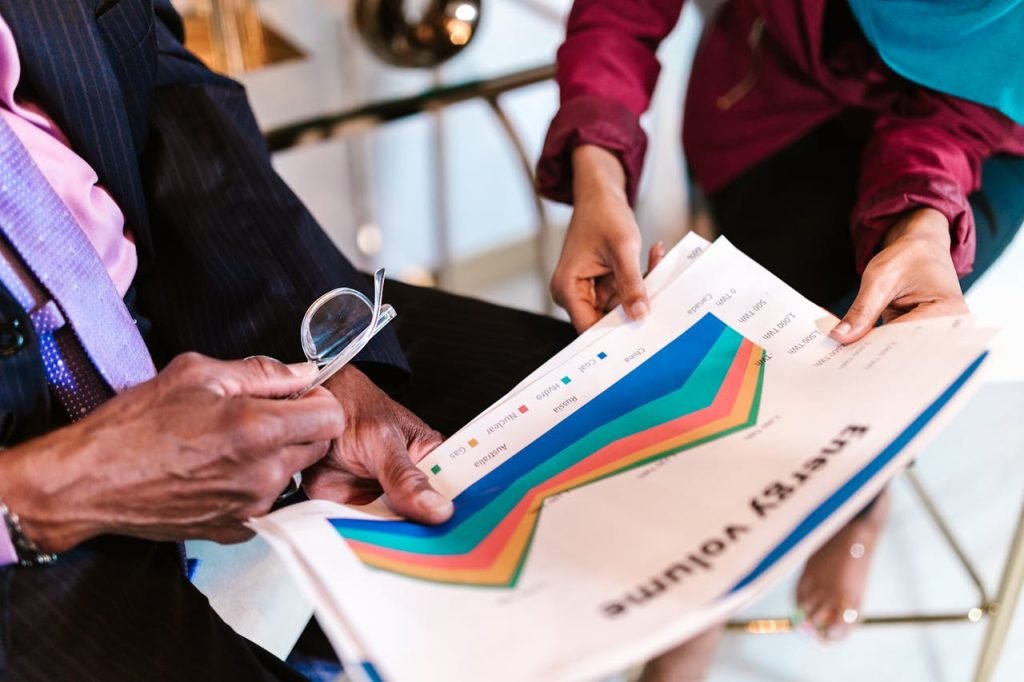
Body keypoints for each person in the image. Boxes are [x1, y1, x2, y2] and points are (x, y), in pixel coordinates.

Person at [0, 1, 576, 679]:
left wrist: (325, 360)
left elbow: (167, 94)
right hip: (24, 489)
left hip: (161, 306)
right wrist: (50, 491)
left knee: (580, 446)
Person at [537, 0, 1024, 676]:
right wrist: (599, 167)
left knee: (882, 314)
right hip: (780, 79)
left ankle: (850, 508)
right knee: (770, 323)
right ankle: (728, 564)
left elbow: (960, 106)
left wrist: (924, 219)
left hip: (981, 127)